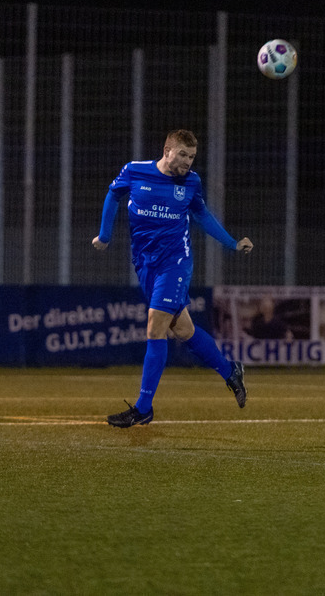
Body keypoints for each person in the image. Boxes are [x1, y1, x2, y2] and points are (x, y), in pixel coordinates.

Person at [93, 129, 253, 427]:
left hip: (175, 264)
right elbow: (113, 194)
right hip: (144, 264)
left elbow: (203, 216)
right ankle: (230, 371)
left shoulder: (191, 183)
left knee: (155, 327)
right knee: (183, 331)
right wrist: (104, 235)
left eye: (192, 157)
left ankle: (143, 408)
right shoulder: (135, 171)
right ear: (167, 150)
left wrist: (232, 243)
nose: (188, 162)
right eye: (183, 155)